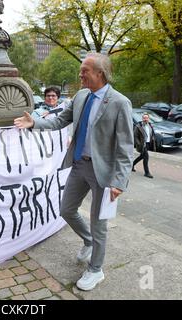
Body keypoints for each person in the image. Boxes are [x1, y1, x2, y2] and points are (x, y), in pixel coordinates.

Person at [14, 53, 134, 291]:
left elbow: (125, 146)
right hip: (79, 164)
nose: (80, 75)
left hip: (104, 173)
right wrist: (35, 124)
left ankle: (96, 269)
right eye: (81, 71)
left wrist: (119, 181)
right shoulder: (80, 96)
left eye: (84, 71)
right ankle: (88, 241)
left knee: (98, 223)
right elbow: (60, 121)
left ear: (100, 74)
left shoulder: (120, 102)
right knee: (66, 209)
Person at [132, 113, 155, 178]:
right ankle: (147, 172)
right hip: (142, 144)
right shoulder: (138, 126)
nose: (145, 119)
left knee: (142, 156)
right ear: (142, 119)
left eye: (146, 118)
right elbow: (135, 136)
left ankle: (132, 165)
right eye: (144, 118)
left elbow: (151, 134)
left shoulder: (150, 125)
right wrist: (138, 144)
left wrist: (152, 140)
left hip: (147, 144)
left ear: (148, 119)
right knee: (146, 157)